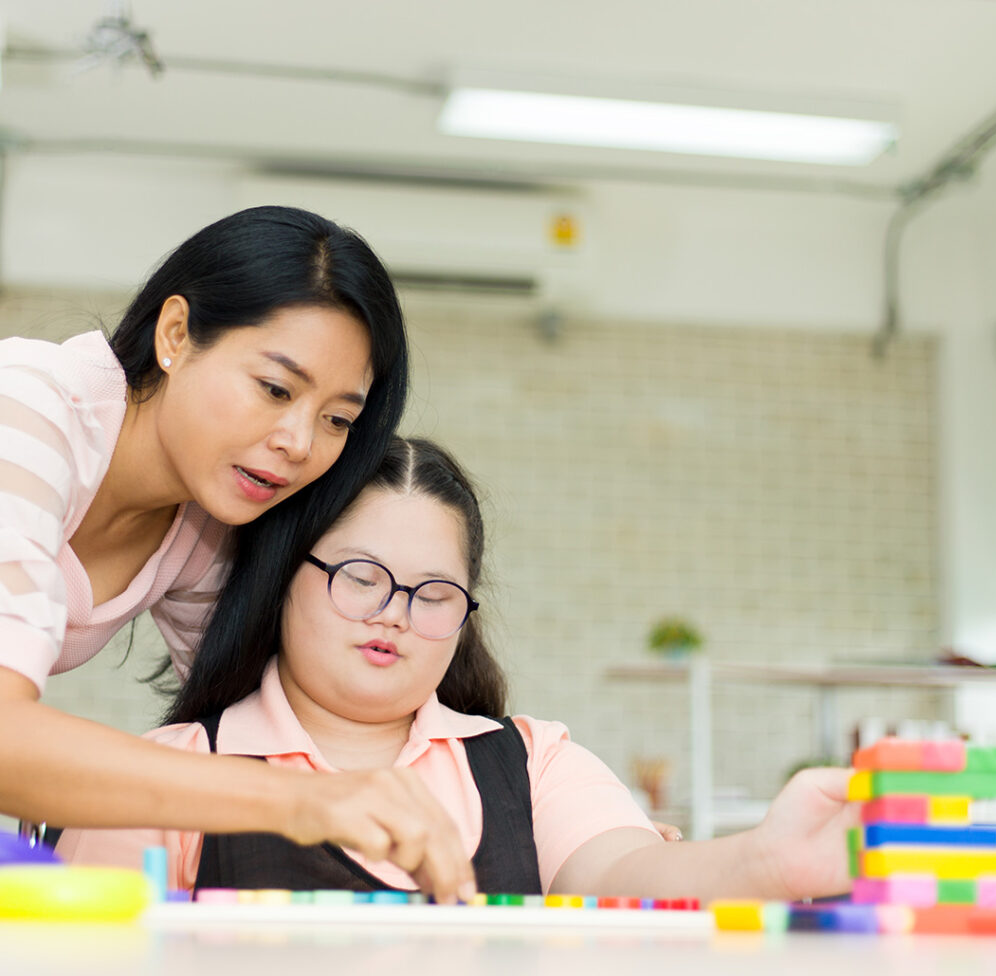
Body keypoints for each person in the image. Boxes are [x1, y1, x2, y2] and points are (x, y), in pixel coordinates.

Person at [58, 437, 858, 900]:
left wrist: (763, 859)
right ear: (281, 578)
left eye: (433, 593)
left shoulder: (529, 762)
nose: (394, 612)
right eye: (360, 578)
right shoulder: (172, 774)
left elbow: (620, 875)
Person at [0, 207, 478, 903]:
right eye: (275, 389)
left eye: (337, 419)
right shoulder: (29, 412)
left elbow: (260, 725)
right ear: (175, 336)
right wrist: (301, 801)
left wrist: (555, 819)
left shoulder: (201, 528)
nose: (298, 442)